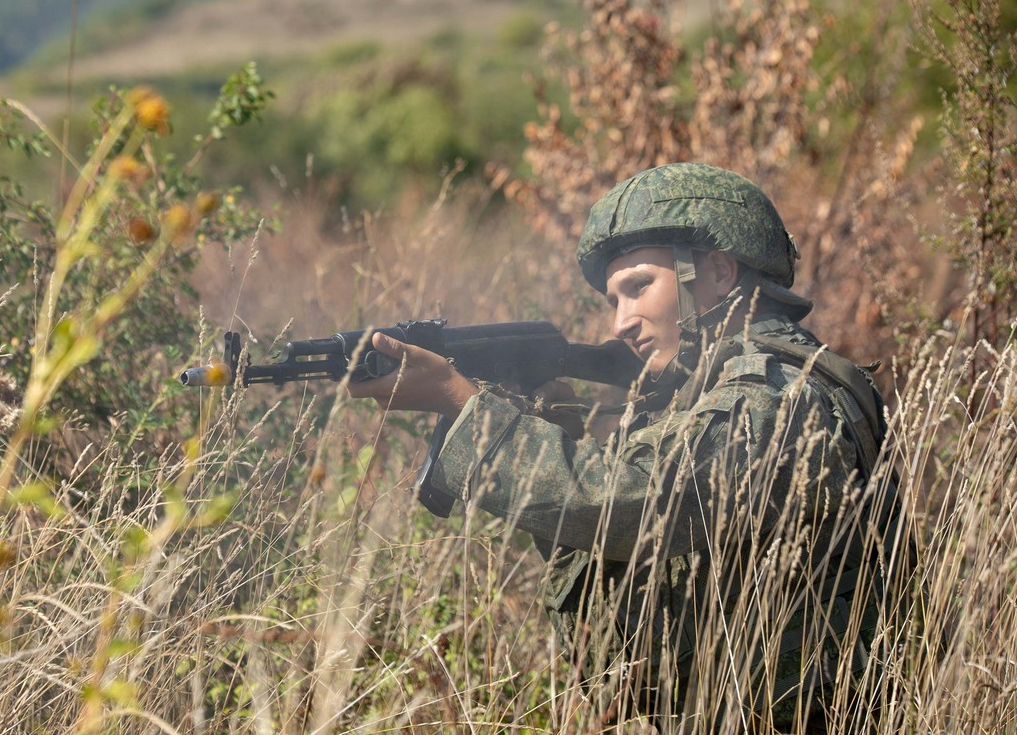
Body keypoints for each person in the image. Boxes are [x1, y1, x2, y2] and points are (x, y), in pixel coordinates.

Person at [349, 163, 899, 732]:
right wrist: (549, 416)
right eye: (614, 299)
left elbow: (633, 504)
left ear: (716, 270)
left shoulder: (777, 395)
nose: (621, 323)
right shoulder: (711, 397)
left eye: (639, 287)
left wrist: (460, 405)